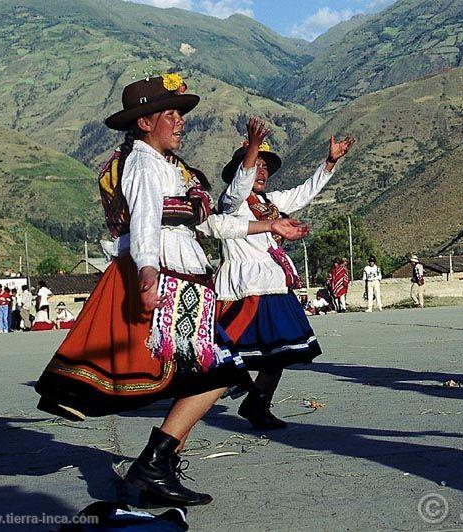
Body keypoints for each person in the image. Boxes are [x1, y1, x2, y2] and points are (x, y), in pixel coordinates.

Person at [34, 75, 309, 507]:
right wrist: (146, 273)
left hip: (184, 278)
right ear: (145, 123)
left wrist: (269, 224)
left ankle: (156, 466)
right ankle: (154, 465)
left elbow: (210, 224)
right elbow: (144, 221)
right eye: (171, 114)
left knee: (209, 375)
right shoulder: (143, 163)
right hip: (165, 276)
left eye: (180, 114)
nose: (180, 122)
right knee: (216, 374)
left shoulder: (170, 167)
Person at [207, 117, 354, 430]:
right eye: (255, 165)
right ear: (240, 170)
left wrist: (329, 163)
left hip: (272, 285)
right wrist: (252, 149)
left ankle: (257, 403)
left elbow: (303, 193)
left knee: (281, 352)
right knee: (232, 354)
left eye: (265, 167)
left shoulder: (269, 203)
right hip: (244, 288)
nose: (261, 172)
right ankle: (196, 406)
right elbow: (238, 187)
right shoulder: (231, 203)